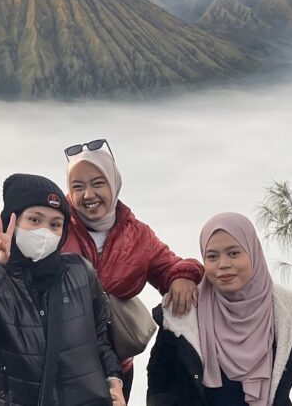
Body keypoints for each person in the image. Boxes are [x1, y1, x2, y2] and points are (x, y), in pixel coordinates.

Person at [0, 174, 125, 406]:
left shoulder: (80, 271)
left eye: (55, 224)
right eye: (34, 220)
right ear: (12, 221)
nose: (45, 231)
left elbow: (99, 338)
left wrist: (114, 379)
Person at [146, 212, 292, 406]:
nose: (223, 264)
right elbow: (160, 387)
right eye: (212, 256)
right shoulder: (182, 314)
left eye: (233, 253)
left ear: (253, 252)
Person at [62, 139, 204, 399]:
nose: (88, 195)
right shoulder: (56, 226)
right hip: (60, 364)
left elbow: (170, 266)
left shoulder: (137, 235)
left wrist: (183, 276)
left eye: (98, 183)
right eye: (78, 187)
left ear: (114, 183)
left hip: (116, 367)